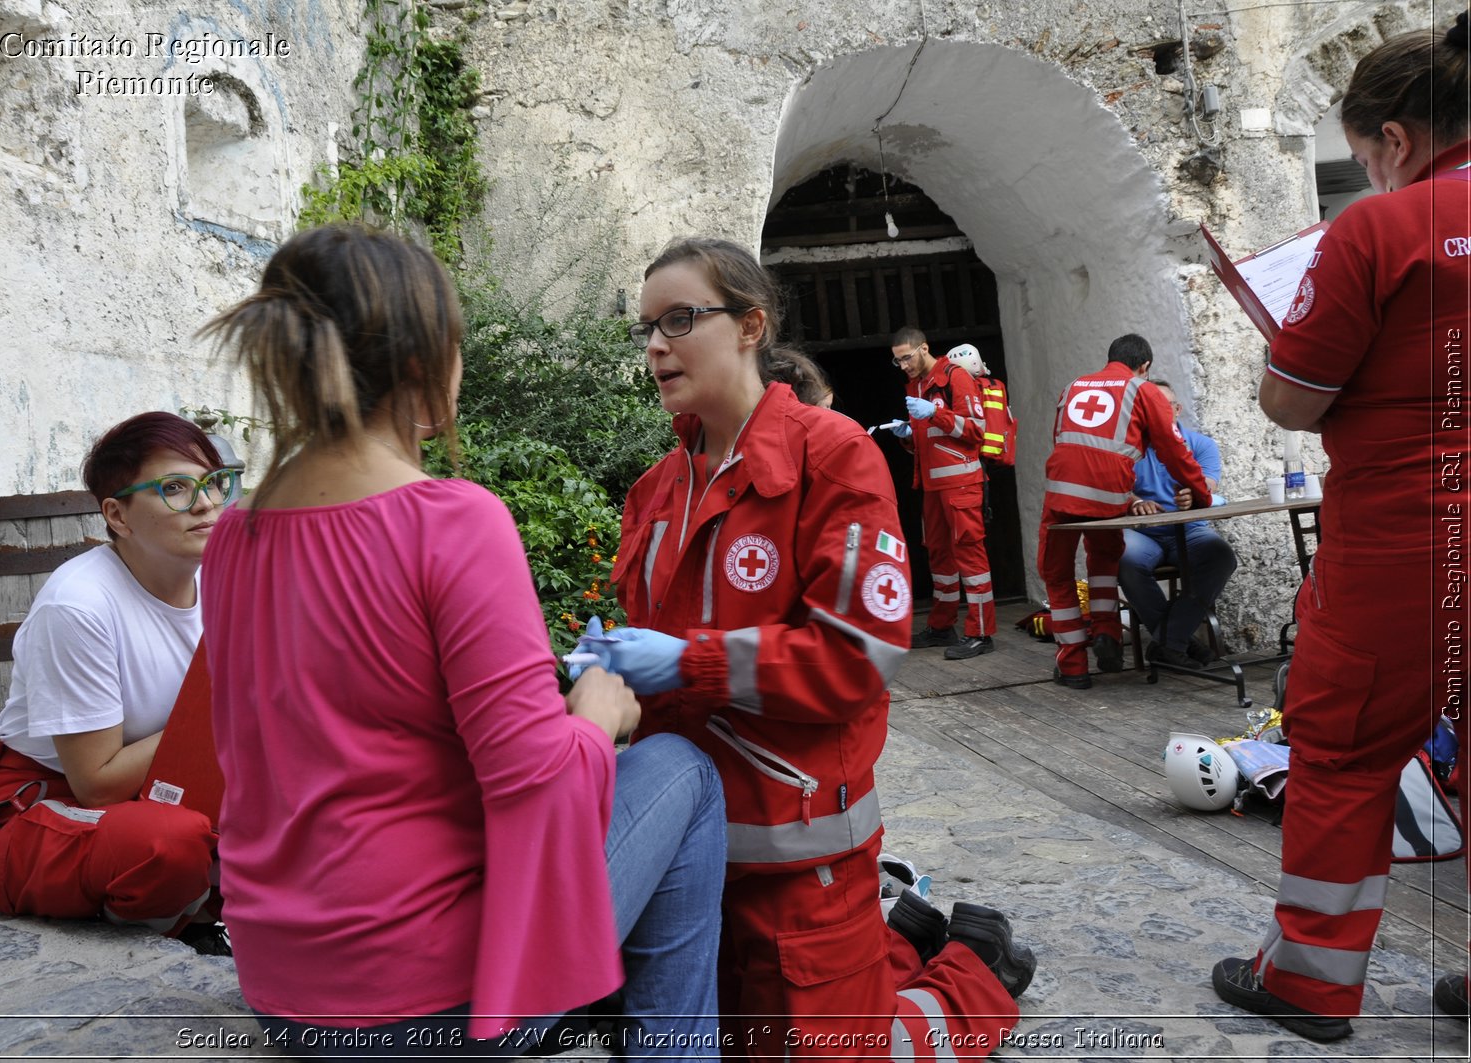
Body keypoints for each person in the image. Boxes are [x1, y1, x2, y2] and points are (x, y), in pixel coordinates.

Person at [196, 223, 727, 1060]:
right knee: (683, 774)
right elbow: (534, 781)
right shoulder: (451, 520)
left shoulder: (233, 535)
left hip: (284, 988)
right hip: (429, 999)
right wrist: (595, 715)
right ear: (421, 362)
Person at [580, 237, 1031, 1062]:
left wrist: (685, 660)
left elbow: (857, 655)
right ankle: (905, 934)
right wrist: (601, 674)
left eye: (679, 319)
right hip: (692, 872)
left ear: (751, 324)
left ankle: (977, 968)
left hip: (802, 868)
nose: (654, 345)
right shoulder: (655, 490)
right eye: (645, 326)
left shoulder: (831, 455)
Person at [1212, 13, 1471, 1039]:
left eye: (1363, 158)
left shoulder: (1380, 228)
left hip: (1407, 538)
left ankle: (1311, 981)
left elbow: (1291, 399)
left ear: (1393, 140)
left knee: (1346, 747)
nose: (1367, 175)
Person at [0, 412, 235, 954]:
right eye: (174, 488)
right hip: (53, 810)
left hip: (173, 783)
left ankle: (221, 897)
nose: (205, 503)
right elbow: (98, 782)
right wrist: (221, 711)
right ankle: (187, 919)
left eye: (212, 483)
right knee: (168, 844)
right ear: (118, 515)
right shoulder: (79, 606)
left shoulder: (221, 577)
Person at [1037, 335, 1210, 689]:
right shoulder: (1142, 390)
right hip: (1108, 495)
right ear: (1144, 366)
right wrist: (1201, 494)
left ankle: (1073, 667)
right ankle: (1108, 635)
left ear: (1110, 359)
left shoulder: (1072, 387)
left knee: (1057, 575)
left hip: (1061, 493)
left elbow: (1062, 438)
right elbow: (1173, 449)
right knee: (1103, 560)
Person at [889, 329, 997, 659]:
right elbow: (930, 441)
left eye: (907, 356)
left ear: (924, 348)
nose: (903, 364)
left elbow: (977, 430)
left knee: (970, 557)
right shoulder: (916, 385)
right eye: (897, 359)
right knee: (939, 557)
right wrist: (907, 437)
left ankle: (980, 632)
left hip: (961, 484)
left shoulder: (955, 377)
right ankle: (941, 626)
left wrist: (934, 413)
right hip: (933, 487)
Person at [1117, 380, 1238, 670]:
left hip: (1191, 530)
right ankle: (1179, 641)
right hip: (1145, 532)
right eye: (1147, 409)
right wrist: (1134, 501)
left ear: (1177, 409)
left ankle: (1168, 642)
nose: (1154, 414)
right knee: (1123, 558)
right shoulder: (1128, 450)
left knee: (1221, 556)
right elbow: (1115, 487)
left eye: (1162, 407)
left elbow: (1208, 484)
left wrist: (1194, 495)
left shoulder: (1201, 444)